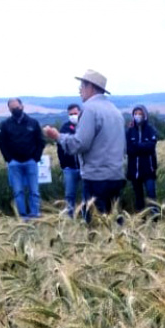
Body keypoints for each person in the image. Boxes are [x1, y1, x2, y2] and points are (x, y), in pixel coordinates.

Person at [43, 70, 126, 223]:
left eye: (82, 85)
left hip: (96, 177)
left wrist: (58, 136)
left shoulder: (89, 109)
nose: (79, 89)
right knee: (114, 225)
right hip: (116, 175)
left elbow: (80, 144)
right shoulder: (115, 111)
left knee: (95, 226)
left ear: (91, 87)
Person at [0, 98, 44, 219]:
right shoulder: (6, 124)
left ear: (22, 106)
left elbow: (41, 141)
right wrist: (9, 159)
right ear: (9, 109)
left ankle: (34, 214)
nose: (15, 110)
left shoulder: (33, 123)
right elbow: (2, 143)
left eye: (16, 107)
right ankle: (22, 216)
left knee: (34, 191)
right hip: (14, 163)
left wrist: (36, 158)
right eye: (12, 108)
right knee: (18, 192)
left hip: (31, 162)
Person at [125, 105, 158, 215]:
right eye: (136, 114)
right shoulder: (129, 131)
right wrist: (142, 146)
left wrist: (137, 146)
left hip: (148, 169)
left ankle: (155, 219)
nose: (138, 116)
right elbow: (128, 149)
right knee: (138, 197)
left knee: (151, 194)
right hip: (134, 170)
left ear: (145, 115)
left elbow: (151, 146)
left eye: (140, 114)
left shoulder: (150, 130)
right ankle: (141, 219)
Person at [57, 103, 83, 217]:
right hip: (70, 168)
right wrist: (64, 164)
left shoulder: (86, 126)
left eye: (75, 113)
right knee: (69, 195)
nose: (73, 116)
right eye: (70, 114)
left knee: (86, 195)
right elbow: (60, 147)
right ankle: (69, 218)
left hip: (85, 168)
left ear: (80, 113)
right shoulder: (65, 128)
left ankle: (86, 217)